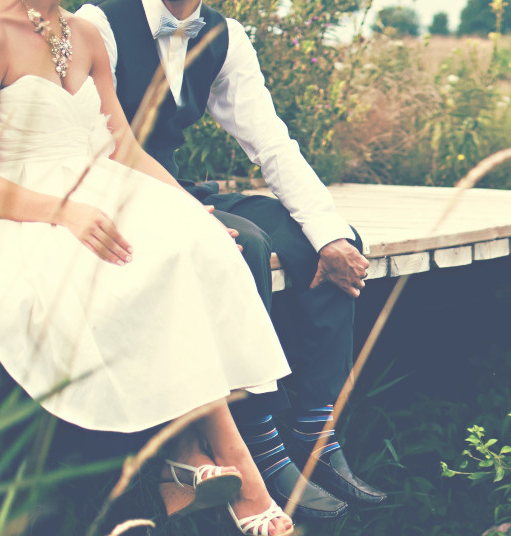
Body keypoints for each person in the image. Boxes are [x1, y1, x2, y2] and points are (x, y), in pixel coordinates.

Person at [0, 0, 297, 534]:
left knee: (192, 247)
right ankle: (235, 468)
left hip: (98, 187)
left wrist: (187, 207)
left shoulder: (85, 32)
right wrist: (64, 213)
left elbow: (124, 148)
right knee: (126, 270)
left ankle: (190, 459)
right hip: (18, 207)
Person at [74, 0, 387, 517]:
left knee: (327, 237)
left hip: (177, 187)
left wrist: (328, 234)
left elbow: (271, 142)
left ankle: (314, 433)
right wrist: (193, 214)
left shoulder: (224, 35)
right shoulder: (101, 21)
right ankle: (257, 440)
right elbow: (96, 139)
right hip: (114, 195)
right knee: (245, 245)